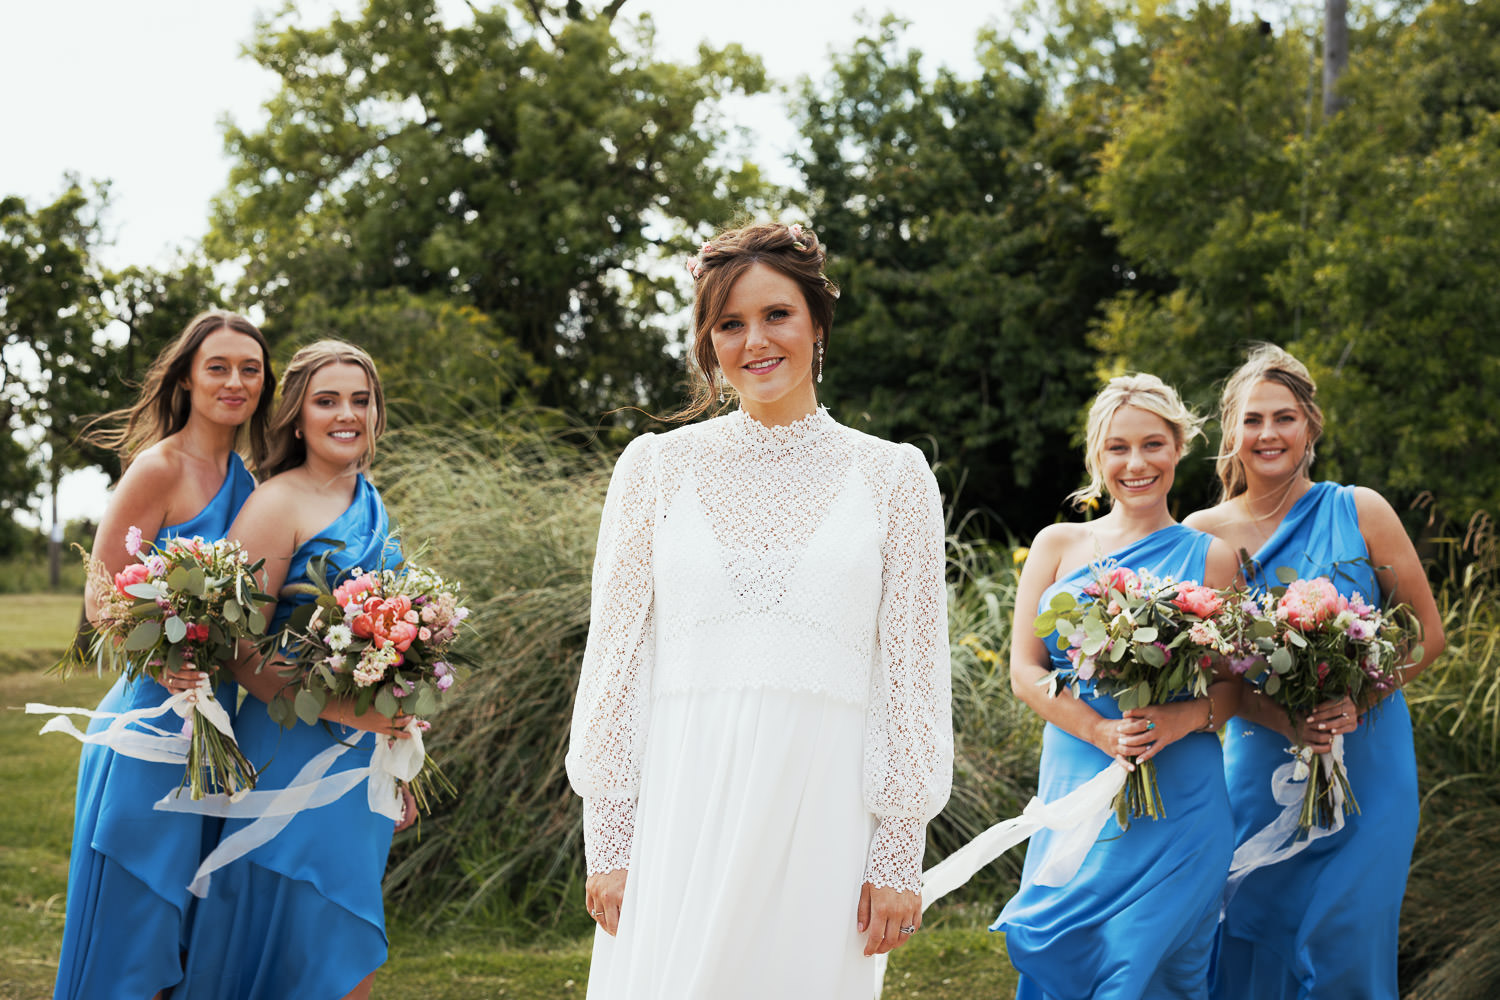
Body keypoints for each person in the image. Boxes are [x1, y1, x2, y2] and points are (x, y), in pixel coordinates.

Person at [565, 222, 953, 999]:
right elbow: (615, 660)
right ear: (709, 341)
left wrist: (897, 852)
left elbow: (911, 675)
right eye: (730, 323)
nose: (756, 341)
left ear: (817, 322)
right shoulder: (654, 469)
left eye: (776, 314)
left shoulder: (894, 477)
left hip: (825, 812)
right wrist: (608, 840)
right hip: (683, 797)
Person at [1185, 344, 1445, 1000]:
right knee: (1253, 929)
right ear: (1231, 434)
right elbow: (1212, 671)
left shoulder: (1361, 509)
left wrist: (1358, 699)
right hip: (1260, 765)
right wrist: (1285, 716)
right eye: (1251, 420)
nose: (1268, 433)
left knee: (1347, 941)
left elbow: (1426, 634)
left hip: (1371, 765)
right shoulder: (1202, 535)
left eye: (1284, 417)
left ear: (1311, 426)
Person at [173, 340, 410, 1000]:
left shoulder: (371, 497)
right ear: (297, 416)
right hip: (290, 752)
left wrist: (397, 749)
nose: (347, 415)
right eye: (327, 400)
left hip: (362, 760)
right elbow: (236, 648)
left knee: (342, 937)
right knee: (299, 941)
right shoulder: (276, 504)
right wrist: (338, 709)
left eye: (360, 401)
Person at [994, 373, 1241, 999]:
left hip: (1182, 798)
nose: (1137, 463)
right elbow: (1025, 670)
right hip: (1078, 780)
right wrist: (1100, 729)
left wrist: (1178, 721)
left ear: (1180, 448)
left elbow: (1238, 690)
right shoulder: (1057, 545)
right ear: (1097, 456)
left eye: (1154, 444)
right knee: (1063, 949)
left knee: (1142, 966)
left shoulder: (1213, 558)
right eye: (1118, 448)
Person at [56, 310, 274, 1000]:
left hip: (215, 728)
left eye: (250, 369)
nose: (235, 381)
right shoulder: (159, 467)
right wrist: (162, 659)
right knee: (138, 926)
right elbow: (100, 597)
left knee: (187, 924)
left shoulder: (250, 479)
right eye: (218, 367)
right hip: (151, 720)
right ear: (187, 376)